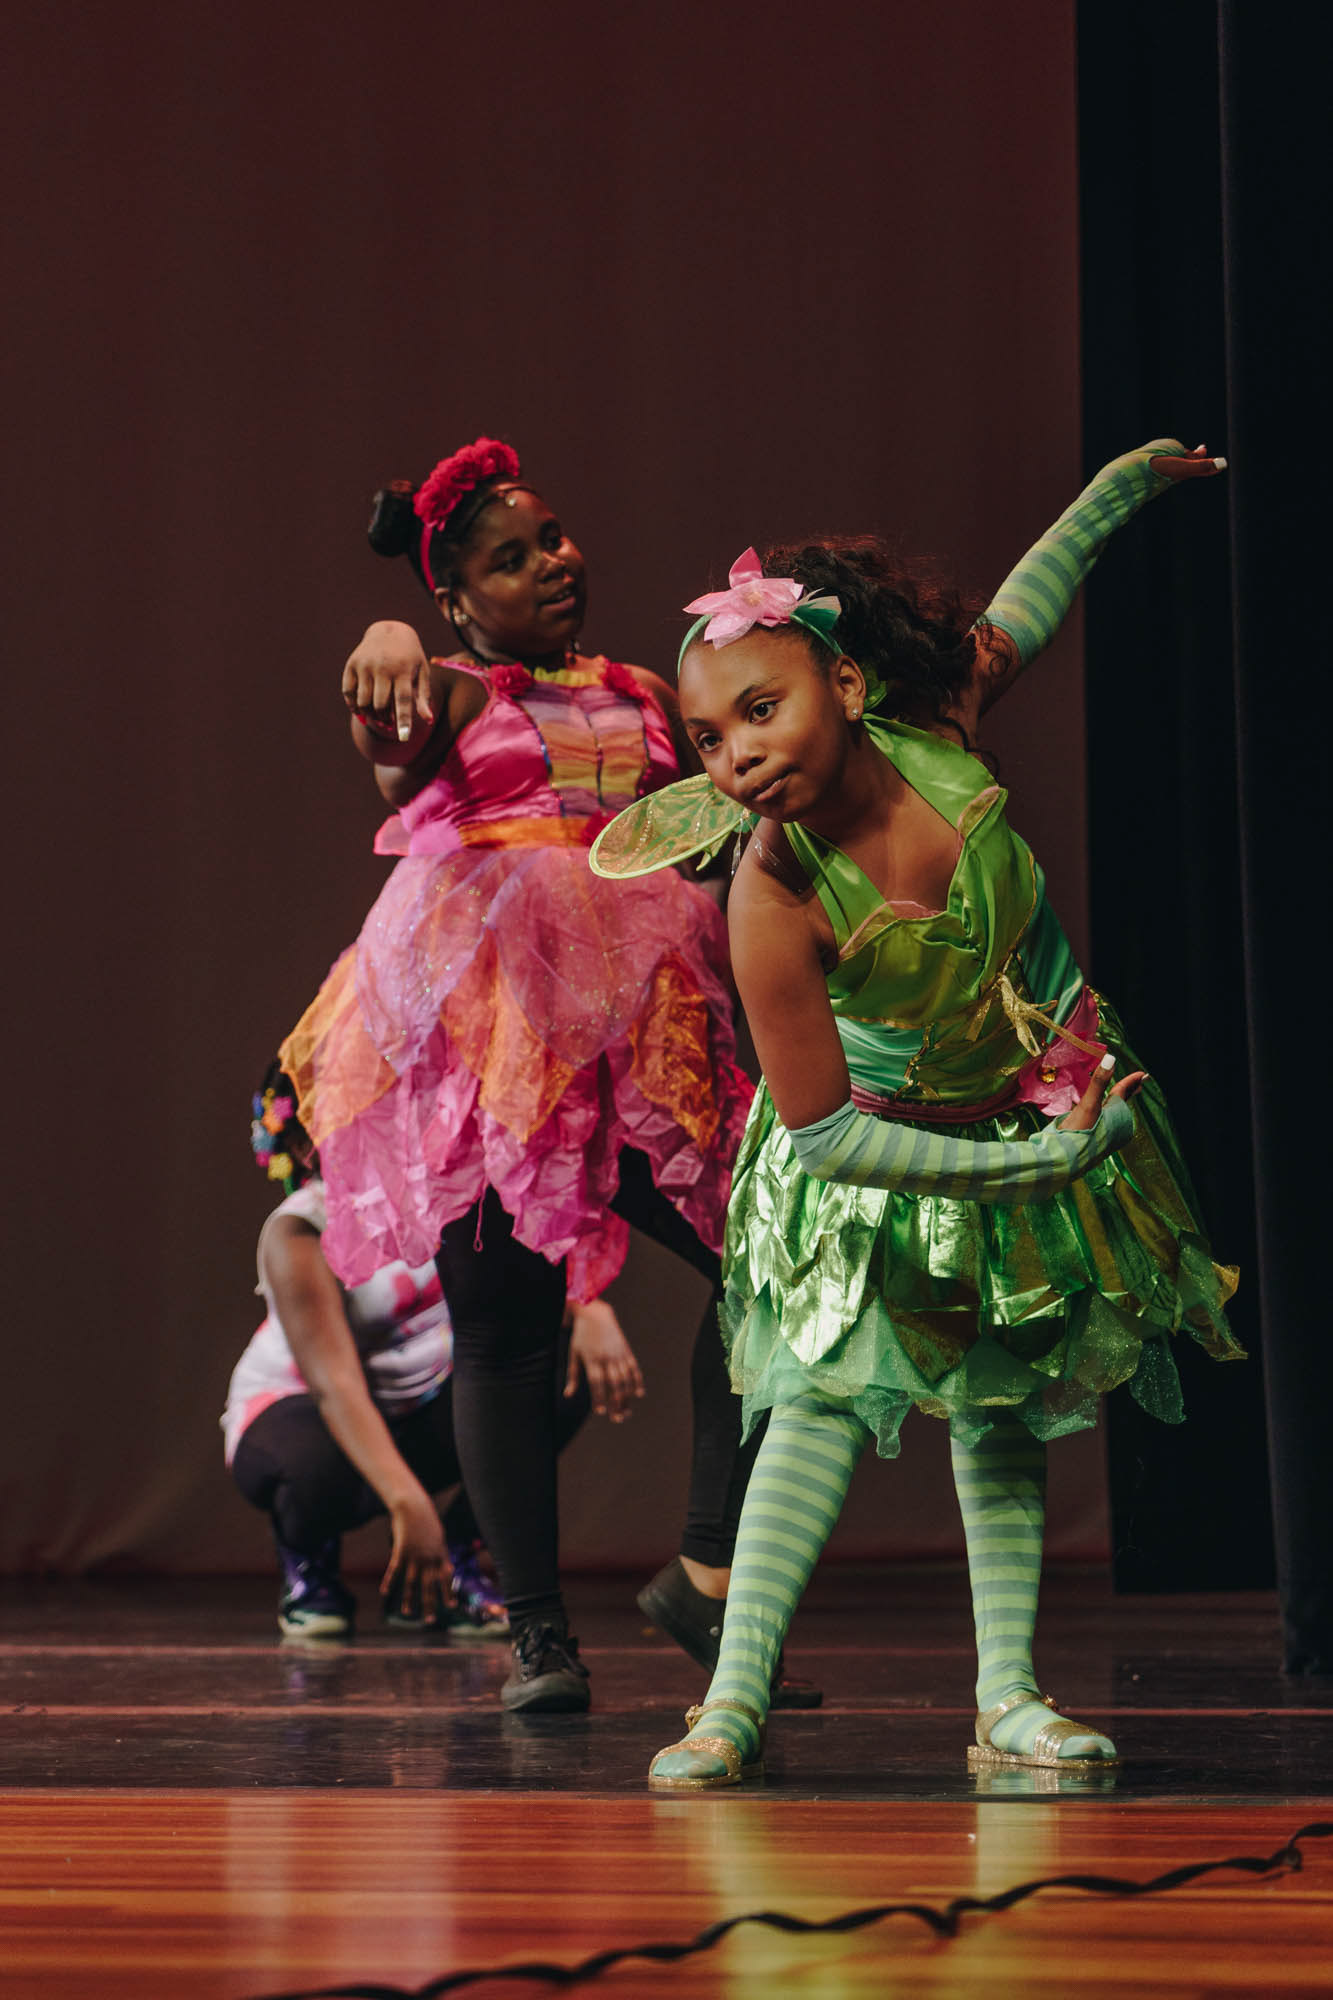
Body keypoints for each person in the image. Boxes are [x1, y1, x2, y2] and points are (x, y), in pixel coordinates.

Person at [589, 439, 1242, 1787]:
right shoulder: (771, 893)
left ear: (846, 683)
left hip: (1023, 1101)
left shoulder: (937, 725)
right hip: (874, 1157)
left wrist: (1120, 486)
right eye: (708, 739)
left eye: (760, 710)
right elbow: (827, 1135)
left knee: (1002, 1398)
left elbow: (1026, 601)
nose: (736, 755)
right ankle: (730, 1703)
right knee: (816, 1401)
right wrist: (1029, 1172)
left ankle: (1008, 1697)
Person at [279, 438, 816, 1713]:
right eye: (510, 560)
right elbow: (391, 734)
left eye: (553, 537)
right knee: (505, 1330)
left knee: (775, 1268)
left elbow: (710, 823)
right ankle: (536, 1636)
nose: (551, 563)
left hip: (640, 1045)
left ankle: (706, 1571)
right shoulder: (452, 692)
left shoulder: (644, 691)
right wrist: (387, 641)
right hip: (500, 1056)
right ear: (457, 598)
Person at [226, 1064, 603, 1639]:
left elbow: (521, 1285)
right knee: (312, 1469)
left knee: (560, 1367)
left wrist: (592, 1310)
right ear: (305, 1147)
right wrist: (410, 1504)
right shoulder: (299, 1230)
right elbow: (335, 1386)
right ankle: (310, 1561)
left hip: (417, 1403)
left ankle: (455, 1555)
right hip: (307, 1408)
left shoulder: (439, 1191)